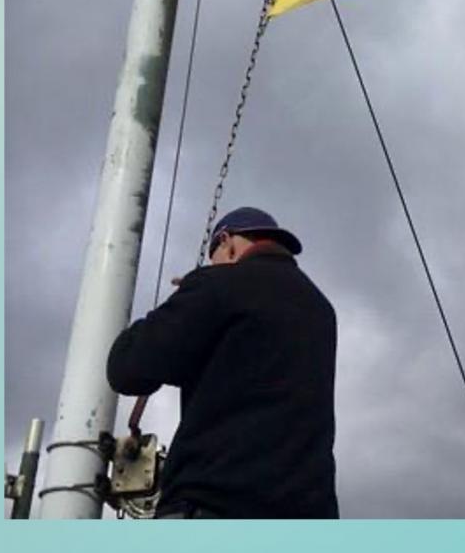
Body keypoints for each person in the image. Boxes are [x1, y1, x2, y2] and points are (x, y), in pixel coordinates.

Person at [106, 206, 338, 518]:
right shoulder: (320, 308)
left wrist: (188, 296)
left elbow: (129, 370)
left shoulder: (218, 284)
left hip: (215, 505)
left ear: (226, 242)